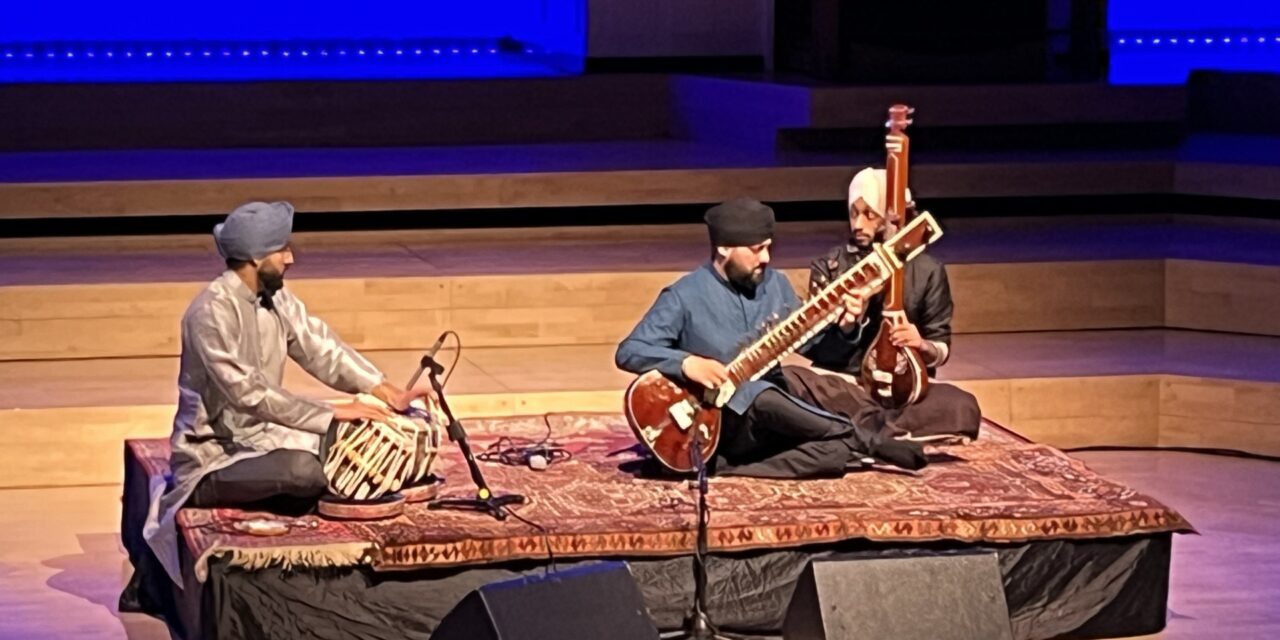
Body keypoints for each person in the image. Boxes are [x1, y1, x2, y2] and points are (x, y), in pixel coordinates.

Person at [142, 201, 423, 583]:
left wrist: (383, 388)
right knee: (305, 471)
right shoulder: (210, 313)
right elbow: (247, 394)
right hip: (215, 453)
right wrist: (330, 413)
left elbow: (319, 347)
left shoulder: (276, 298)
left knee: (361, 445)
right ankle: (198, 493)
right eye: (282, 250)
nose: (290, 258)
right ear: (257, 258)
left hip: (265, 437)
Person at [615, 197, 928, 479]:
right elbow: (630, 351)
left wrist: (847, 326)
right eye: (756, 249)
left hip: (776, 420)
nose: (765, 257)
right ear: (724, 248)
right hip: (726, 422)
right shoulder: (684, 295)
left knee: (834, 454)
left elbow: (824, 350)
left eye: (768, 247)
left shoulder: (776, 286)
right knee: (755, 391)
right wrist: (687, 363)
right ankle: (869, 441)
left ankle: (727, 468)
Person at [785, 168, 980, 440]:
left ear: (892, 221)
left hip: (901, 392)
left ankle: (865, 431)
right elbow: (820, 352)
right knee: (793, 383)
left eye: (869, 214)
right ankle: (882, 432)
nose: (858, 225)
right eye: (853, 213)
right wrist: (847, 330)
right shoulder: (831, 267)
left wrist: (920, 344)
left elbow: (941, 346)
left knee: (963, 406)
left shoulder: (927, 271)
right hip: (845, 385)